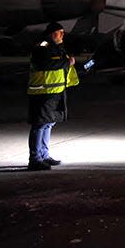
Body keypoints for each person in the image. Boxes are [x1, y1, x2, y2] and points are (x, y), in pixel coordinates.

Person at [27, 22, 79, 171]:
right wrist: (66, 62)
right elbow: (45, 64)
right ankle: (35, 159)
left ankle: (44, 155)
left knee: (49, 123)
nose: (62, 35)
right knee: (40, 125)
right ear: (51, 34)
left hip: (54, 92)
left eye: (63, 32)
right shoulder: (42, 47)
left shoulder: (57, 48)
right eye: (59, 32)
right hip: (41, 93)